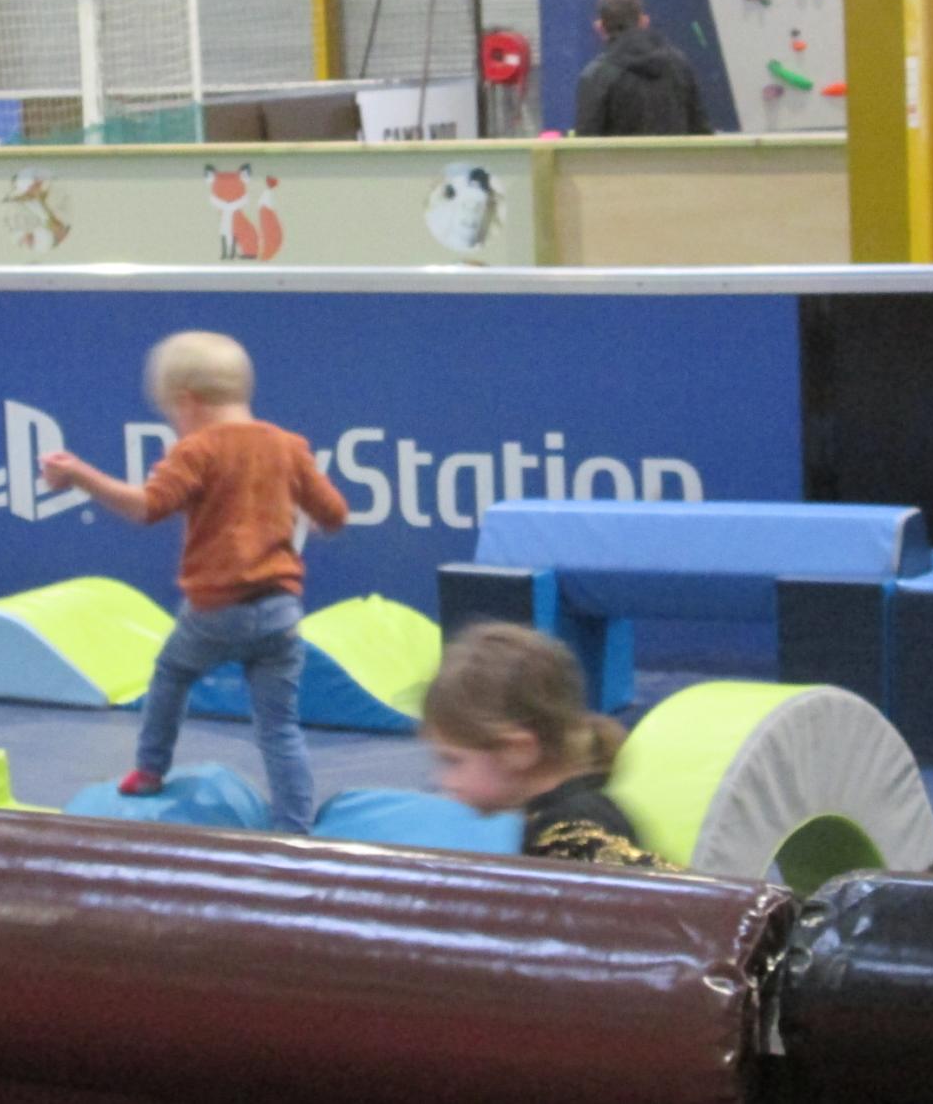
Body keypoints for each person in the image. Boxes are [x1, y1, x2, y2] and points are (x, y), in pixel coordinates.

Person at [40, 331, 347, 835]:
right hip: (279, 612)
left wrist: (79, 475)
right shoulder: (287, 446)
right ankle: (295, 829)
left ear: (187, 401)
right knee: (279, 728)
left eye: (171, 414)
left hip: (216, 611)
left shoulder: (197, 449)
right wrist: (298, 516)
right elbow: (335, 514)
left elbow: (146, 507)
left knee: (171, 675)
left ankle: (150, 768)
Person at [423, 622, 667, 867]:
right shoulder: (557, 818)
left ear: (518, 751)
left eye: (453, 761)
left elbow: (655, 886)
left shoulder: (571, 833)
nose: (444, 781)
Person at [574, 0, 713, 137]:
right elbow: (701, 131)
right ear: (644, 21)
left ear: (599, 27)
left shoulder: (596, 76)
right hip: (675, 154)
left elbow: (586, 141)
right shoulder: (680, 66)